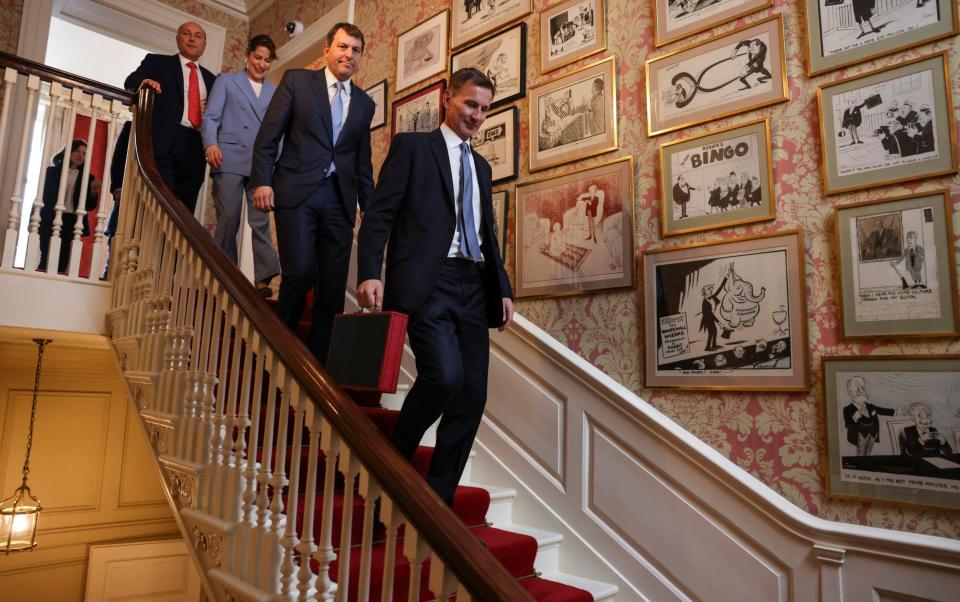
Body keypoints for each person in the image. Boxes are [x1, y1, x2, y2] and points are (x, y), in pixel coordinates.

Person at [356, 68, 513, 506]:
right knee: (443, 376)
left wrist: (502, 288)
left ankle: (438, 502)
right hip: (430, 281)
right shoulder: (412, 149)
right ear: (447, 98)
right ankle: (391, 458)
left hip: (474, 285)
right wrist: (370, 271)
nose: (477, 115)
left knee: (472, 395)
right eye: (470, 104)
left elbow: (488, 235)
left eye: (485, 108)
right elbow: (380, 215)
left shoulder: (481, 167)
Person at [250, 22, 375, 364]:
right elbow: (268, 135)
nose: (349, 54)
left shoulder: (365, 104)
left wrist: (373, 213)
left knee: (332, 289)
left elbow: (362, 163)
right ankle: (277, 351)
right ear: (327, 49)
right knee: (301, 271)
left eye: (356, 49)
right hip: (297, 193)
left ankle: (318, 367)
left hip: (339, 200)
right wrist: (262, 180)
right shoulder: (297, 82)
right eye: (343, 46)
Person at [201, 34, 281, 298]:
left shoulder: (274, 92)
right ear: (247, 56)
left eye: (267, 60)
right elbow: (211, 117)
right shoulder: (227, 81)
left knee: (260, 221)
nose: (261, 64)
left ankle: (264, 278)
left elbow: (277, 132)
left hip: (259, 165)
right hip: (229, 157)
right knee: (230, 216)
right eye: (257, 57)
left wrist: (275, 165)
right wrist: (210, 144)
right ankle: (225, 272)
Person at [124, 22, 217, 214]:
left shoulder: (213, 79)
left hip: (195, 148)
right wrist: (144, 83)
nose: (192, 39)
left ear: (204, 44)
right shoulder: (157, 62)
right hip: (163, 144)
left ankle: (172, 246)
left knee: (184, 210)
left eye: (198, 36)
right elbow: (130, 82)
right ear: (178, 38)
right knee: (159, 205)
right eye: (187, 33)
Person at [38, 140, 101, 273]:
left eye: (84, 153)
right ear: (69, 151)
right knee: (46, 257)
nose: (80, 155)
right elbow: (43, 197)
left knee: (63, 260)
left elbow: (89, 206)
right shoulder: (51, 172)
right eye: (77, 151)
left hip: (71, 221)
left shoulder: (88, 178)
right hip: (51, 217)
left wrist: (94, 193)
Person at [842, 376, 902, 456]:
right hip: (859, 436)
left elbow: (881, 410)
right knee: (861, 453)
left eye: (862, 388)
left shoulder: (870, 407)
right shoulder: (848, 409)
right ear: (850, 392)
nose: (861, 391)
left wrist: (895, 411)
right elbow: (847, 424)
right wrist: (855, 417)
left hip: (872, 434)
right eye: (857, 389)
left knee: (868, 452)